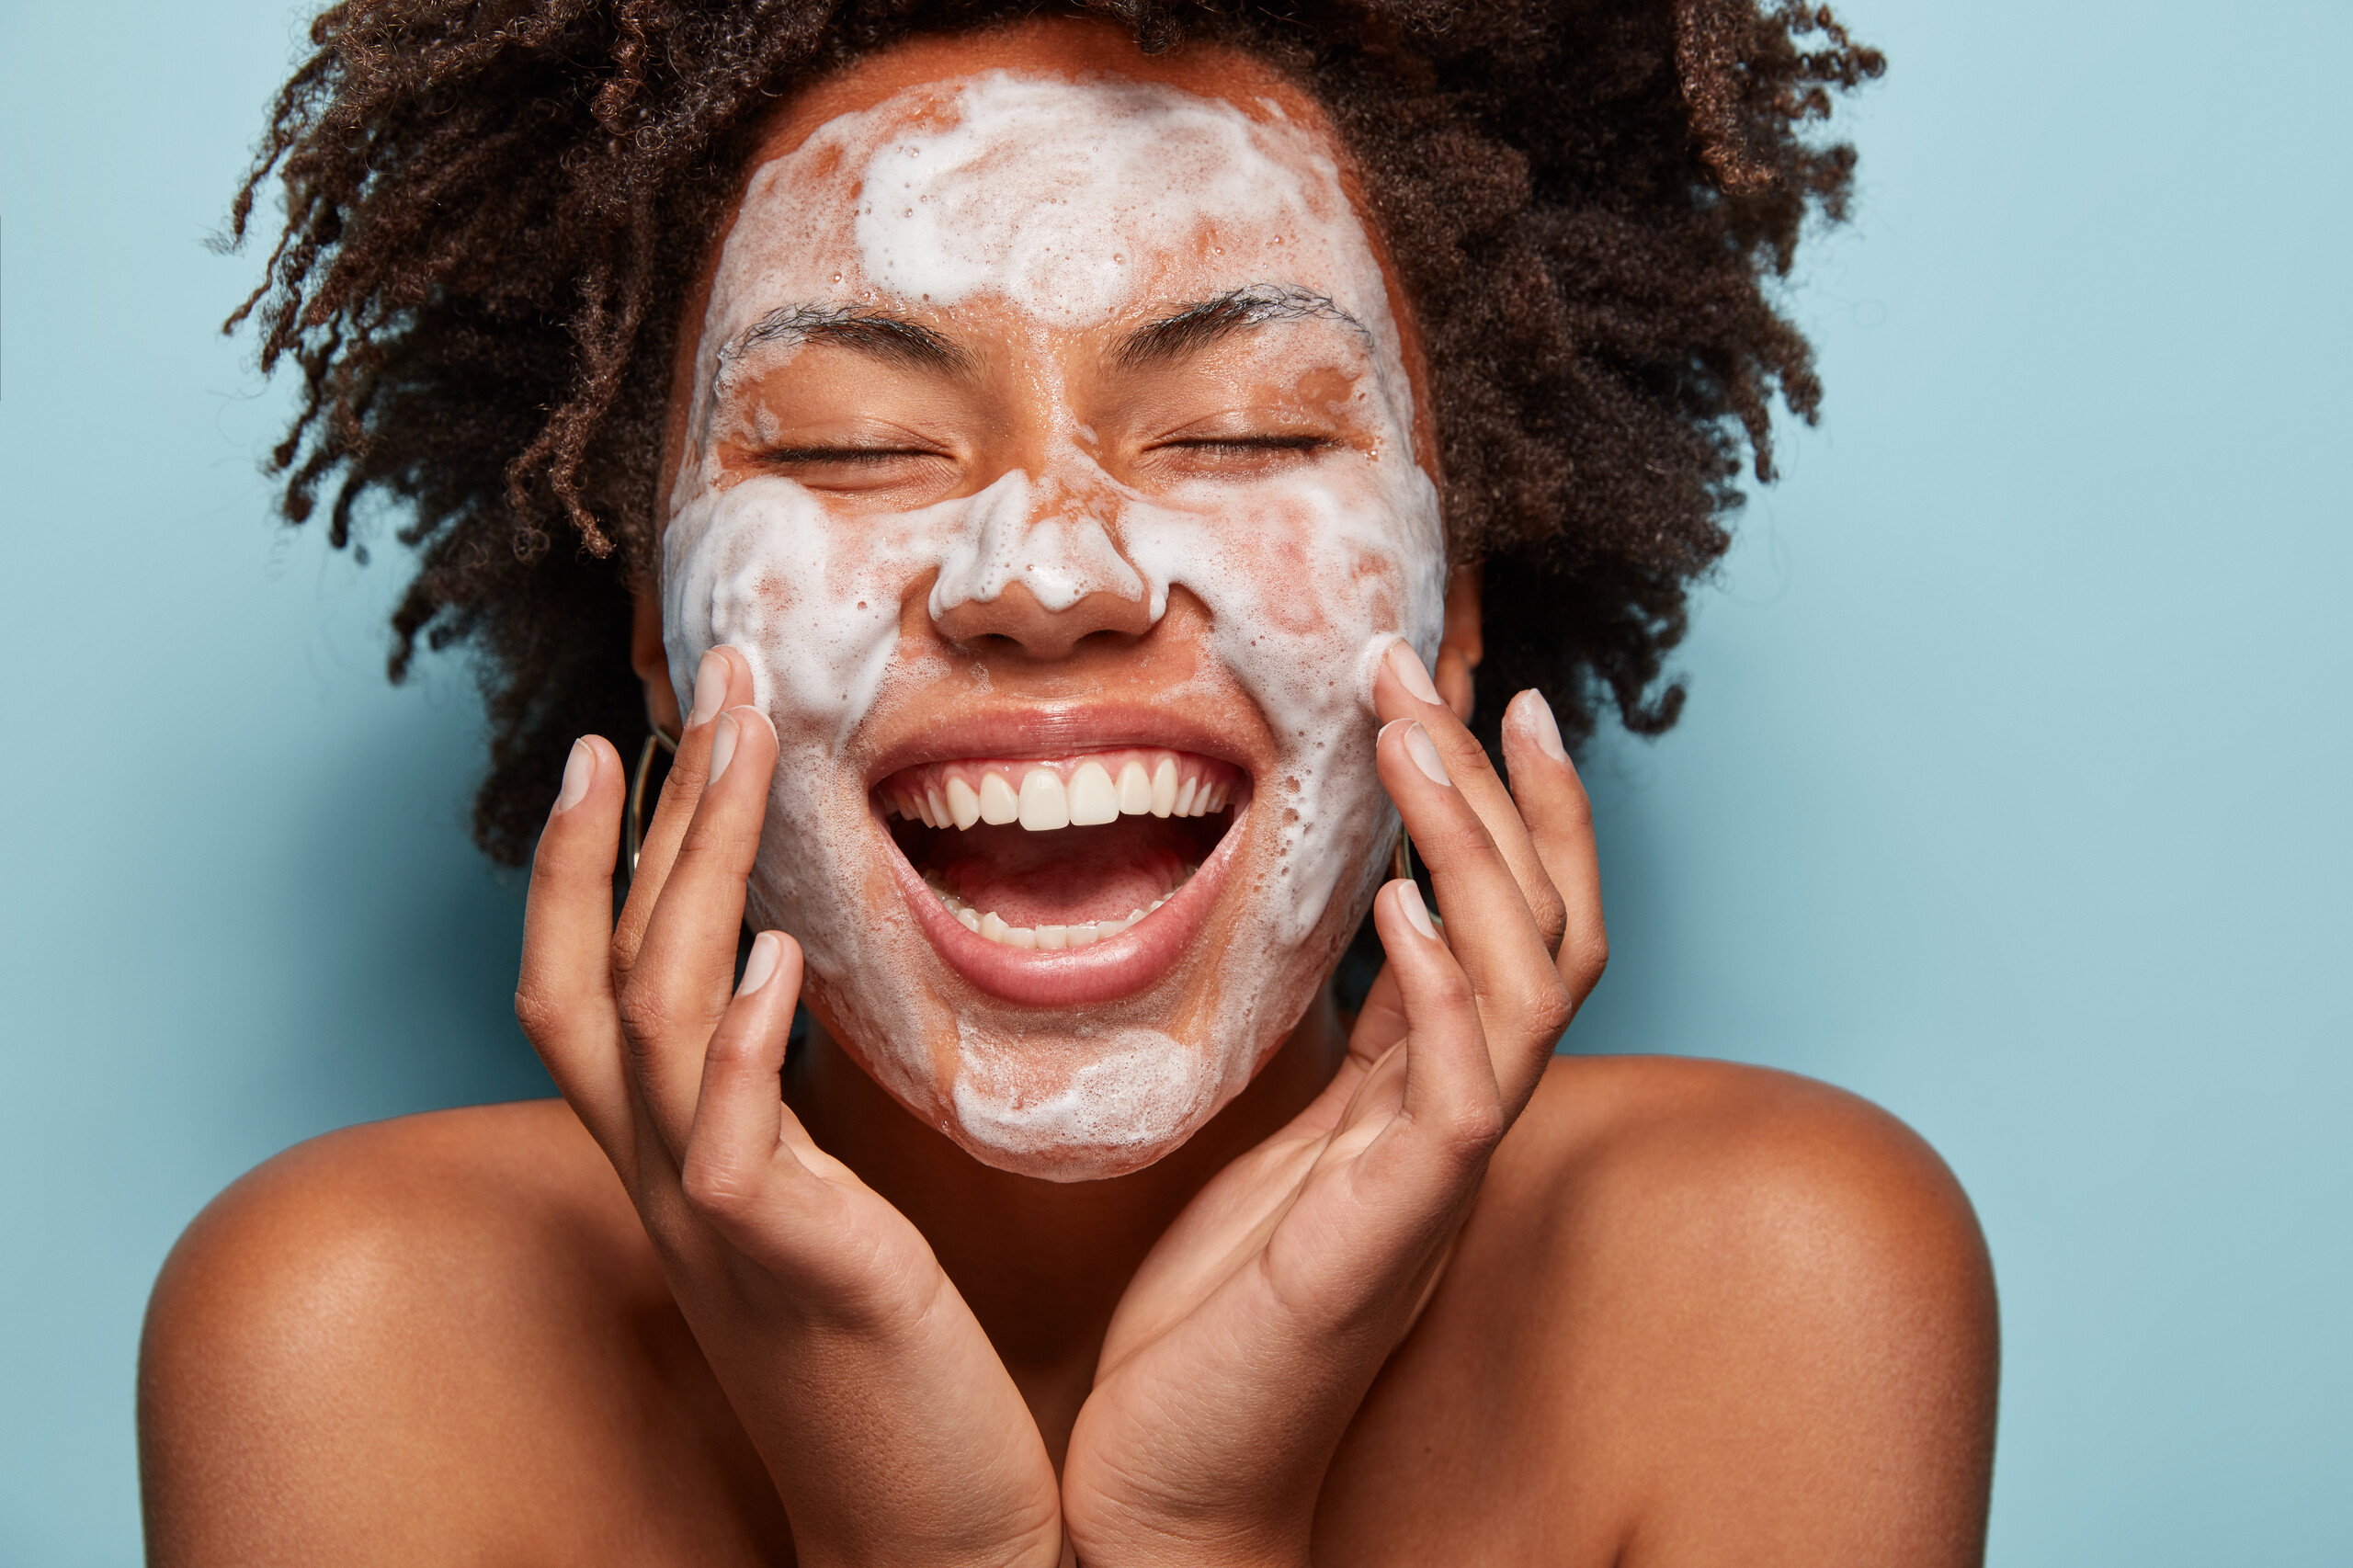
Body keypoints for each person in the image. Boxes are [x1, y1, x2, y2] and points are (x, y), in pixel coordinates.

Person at [139, 5, 1997, 1563]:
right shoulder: (348, 1334)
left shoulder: (1777, 1289)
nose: (1043, 576)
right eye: (856, 446)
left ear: (1448, 614)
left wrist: (1199, 1533)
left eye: (1241, 426)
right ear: (655, 632)